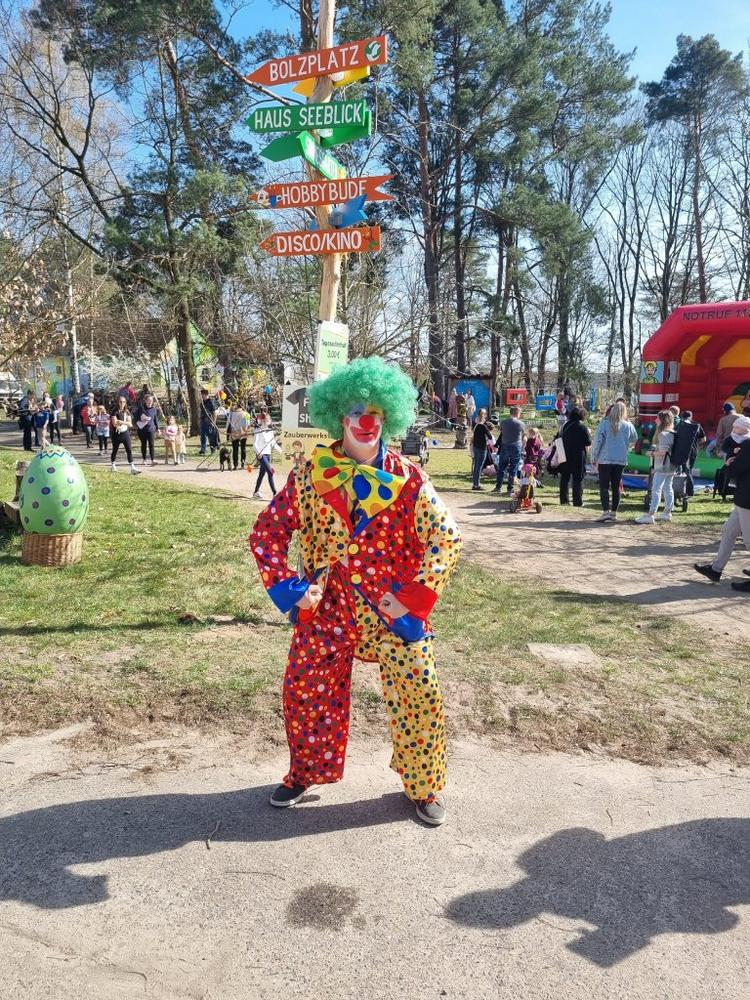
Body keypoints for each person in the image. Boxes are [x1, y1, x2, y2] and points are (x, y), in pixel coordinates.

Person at [249, 357, 462, 826]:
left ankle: (423, 786)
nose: (367, 424)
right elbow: (265, 534)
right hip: (328, 609)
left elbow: (446, 539)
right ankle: (306, 772)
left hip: (392, 614)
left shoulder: (410, 480)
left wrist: (411, 598)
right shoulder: (309, 475)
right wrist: (290, 587)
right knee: (304, 688)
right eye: (356, 413)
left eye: (377, 415)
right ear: (338, 418)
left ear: (388, 419)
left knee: (420, 693)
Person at [695, 415, 750, 591]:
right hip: (743, 498)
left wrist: (727, 465)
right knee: (729, 531)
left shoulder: (748, 445)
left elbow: (735, 469)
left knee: (749, 540)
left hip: (747, 498)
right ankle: (716, 569)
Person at [591, 400, 637, 522]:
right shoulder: (628, 425)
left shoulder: (605, 423)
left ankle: (605, 511)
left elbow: (598, 442)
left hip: (605, 459)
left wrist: (594, 458)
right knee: (616, 486)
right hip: (621, 459)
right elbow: (634, 438)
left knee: (604, 486)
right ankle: (614, 513)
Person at [635, 409, 677, 524]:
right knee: (668, 489)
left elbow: (663, 452)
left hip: (662, 466)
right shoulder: (673, 433)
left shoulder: (663, 434)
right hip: (672, 466)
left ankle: (651, 514)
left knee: (656, 489)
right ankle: (667, 513)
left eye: (657, 418)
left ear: (663, 420)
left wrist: (651, 453)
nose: (655, 420)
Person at [559, 408, 591, 507]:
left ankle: (564, 500)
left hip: (565, 454)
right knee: (578, 478)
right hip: (578, 455)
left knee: (564, 478)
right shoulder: (582, 426)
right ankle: (577, 501)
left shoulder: (564, 425)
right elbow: (588, 442)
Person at [493, 405, 526, 494]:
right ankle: (510, 487)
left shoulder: (504, 422)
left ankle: (498, 487)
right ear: (517, 413)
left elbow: (501, 431)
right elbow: (523, 435)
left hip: (505, 446)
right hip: (516, 447)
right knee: (513, 467)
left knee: (502, 467)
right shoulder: (521, 424)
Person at [672, 410, 704, 496]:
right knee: (688, 470)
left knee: (681, 470)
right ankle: (689, 490)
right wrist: (697, 445)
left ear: (682, 416)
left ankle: (683, 490)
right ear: (691, 416)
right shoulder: (697, 425)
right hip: (693, 450)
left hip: (681, 450)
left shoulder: (679, 425)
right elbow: (703, 439)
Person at [110, 397, 140, 474]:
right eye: (120, 402)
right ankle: (113, 465)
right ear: (118, 402)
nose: (122, 403)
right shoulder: (114, 411)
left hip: (125, 433)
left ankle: (132, 467)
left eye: (123, 402)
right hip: (116, 434)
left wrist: (121, 422)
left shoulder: (127, 412)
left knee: (129, 449)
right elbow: (114, 423)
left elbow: (130, 424)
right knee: (115, 450)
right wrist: (123, 422)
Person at [252, 422, 281, 498]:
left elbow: (273, 443)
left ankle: (255, 492)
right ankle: (275, 493)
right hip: (262, 455)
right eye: (266, 420)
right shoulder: (257, 430)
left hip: (268, 455)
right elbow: (254, 444)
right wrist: (259, 453)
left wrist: (282, 452)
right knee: (270, 473)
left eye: (268, 420)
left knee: (261, 474)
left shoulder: (270, 431)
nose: (268, 422)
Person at [134, 393, 159, 466]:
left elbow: (155, 419)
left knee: (151, 444)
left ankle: (152, 459)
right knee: (143, 444)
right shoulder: (140, 409)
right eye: (148, 400)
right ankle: (144, 459)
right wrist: (142, 419)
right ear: (145, 401)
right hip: (142, 430)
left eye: (151, 400)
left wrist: (157, 428)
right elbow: (135, 418)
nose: (150, 402)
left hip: (151, 429)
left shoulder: (154, 409)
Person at [471, 409, 494, 491]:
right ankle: (476, 485)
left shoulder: (476, 425)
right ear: (484, 415)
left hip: (475, 447)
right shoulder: (483, 426)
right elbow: (490, 437)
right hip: (481, 448)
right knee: (479, 467)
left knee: (476, 466)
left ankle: (475, 483)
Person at [227, 400, 251, 469]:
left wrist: (228, 433)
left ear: (237, 405)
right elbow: (248, 424)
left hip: (234, 433)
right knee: (243, 447)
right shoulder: (247, 414)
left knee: (235, 449)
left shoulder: (232, 414)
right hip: (244, 432)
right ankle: (243, 463)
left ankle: (235, 465)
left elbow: (228, 424)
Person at [199, 388, 218, 454]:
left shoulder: (211, 402)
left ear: (205, 394)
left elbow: (214, 412)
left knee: (211, 436)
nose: (201, 396)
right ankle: (203, 449)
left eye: (202, 395)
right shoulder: (202, 402)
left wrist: (213, 422)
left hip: (209, 421)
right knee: (203, 436)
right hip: (203, 421)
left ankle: (213, 449)